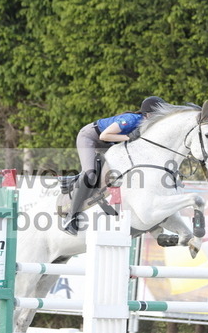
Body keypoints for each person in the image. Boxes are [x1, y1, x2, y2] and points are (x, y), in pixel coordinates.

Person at [61, 96, 167, 234]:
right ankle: (71, 216)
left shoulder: (147, 125)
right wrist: (129, 137)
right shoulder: (131, 119)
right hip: (90, 137)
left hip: (108, 142)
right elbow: (104, 136)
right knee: (90, 174)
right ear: (149, 114)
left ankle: (74, 180)